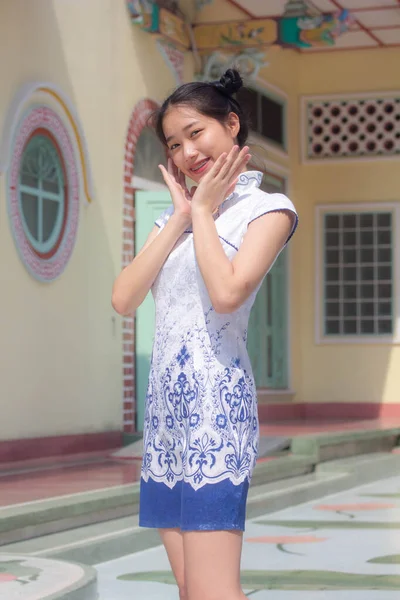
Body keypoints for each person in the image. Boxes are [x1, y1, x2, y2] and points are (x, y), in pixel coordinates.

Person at [112, 68, 298, 600]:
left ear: (231, 124)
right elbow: (124, 299)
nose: (188, 152)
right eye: (175, 144)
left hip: (217, 412)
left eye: (197, 133)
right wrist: (179, 219)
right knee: (191, 589)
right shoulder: (171, 224)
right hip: (166, 420)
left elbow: (226, 293)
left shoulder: (268, 210)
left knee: (215, 592)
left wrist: (202, 214)